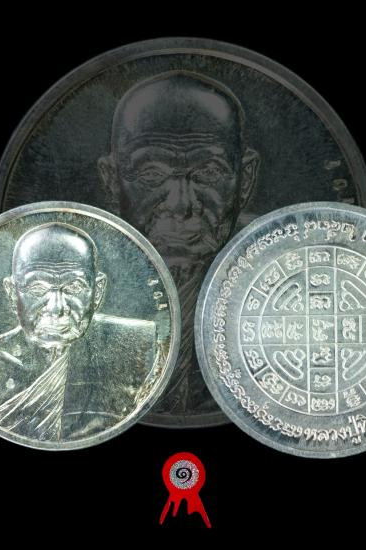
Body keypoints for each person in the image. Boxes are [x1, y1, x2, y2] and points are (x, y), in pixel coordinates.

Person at [98, 71, 259, 418]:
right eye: (152, 175)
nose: (181, 205)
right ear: (112, 181)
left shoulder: (285, 268)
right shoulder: (74, 278)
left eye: (209, 173)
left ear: (245, 180)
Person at [0, 223, 157, 441]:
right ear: (12, 294)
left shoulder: (136, 346)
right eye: (37, 289)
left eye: (74, 287)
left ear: (97, 293)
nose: (57, 308)